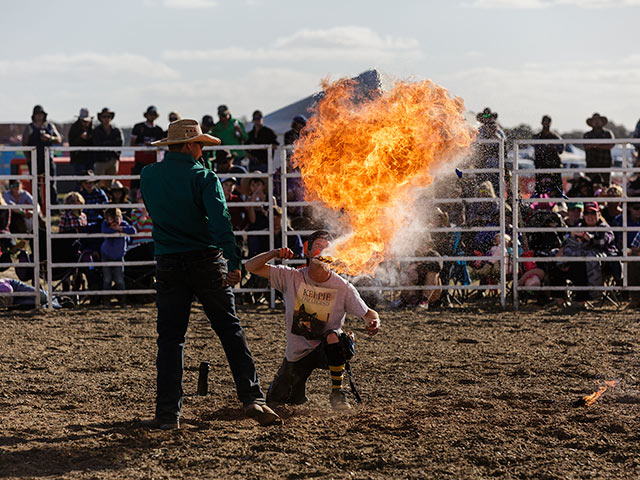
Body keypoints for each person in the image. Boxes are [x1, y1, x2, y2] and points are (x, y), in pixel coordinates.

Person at [140, 118, 278, 429]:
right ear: (189, 145)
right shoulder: (205, 177)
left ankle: (167, 414)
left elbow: (154, 212)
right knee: (229, 328)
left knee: (171, 339)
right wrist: (233, 262)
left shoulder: (148, 175)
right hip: (205, 259)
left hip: (168, 262)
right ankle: (252, 397)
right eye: (200, 144)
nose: (202, 149)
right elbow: (220, 222)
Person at [245, 230, 381, 410]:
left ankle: (337, 393)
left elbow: (369, 313)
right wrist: (275, 253)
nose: (323, 252)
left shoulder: (343, 287)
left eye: (328, 248)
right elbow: (250, 266)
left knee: (335, 337)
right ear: (308, 251)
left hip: (326, 349)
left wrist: (374, 322)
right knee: (278, 399)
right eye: (318, 247)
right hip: (297, 354)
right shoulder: (291, 277)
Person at [22, 105, 62, 206]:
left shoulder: (50, 126)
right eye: (37, 114)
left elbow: (59, 139)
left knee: (51, 183)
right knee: (36, 184)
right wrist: (29, 160)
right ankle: (38, 207)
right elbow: (24, 144)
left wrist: (50, 138)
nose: (39, 116)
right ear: (34, 116)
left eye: (41, 114)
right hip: (34, 160)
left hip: (48, 159)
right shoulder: (29, 128)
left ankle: (53, 207)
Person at [101, 208, 135, 305]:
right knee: (107, 279)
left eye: (116, 219)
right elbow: (105, 232)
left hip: (119, 256)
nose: (113, 222)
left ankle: (122, 301)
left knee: (119, 279)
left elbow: (133, 230)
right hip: (106, 255)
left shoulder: (123, 224)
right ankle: (106, 301)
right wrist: (116, 231)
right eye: (111, 219)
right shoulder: (104, 224)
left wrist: (120, 229)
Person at [130, 106, 164, 194]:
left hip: (153, 163)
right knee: (135, 186)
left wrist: (153, 147)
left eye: (154, 114)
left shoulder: (159, 130)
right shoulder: (138, 127)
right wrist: (143, 147)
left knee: (153, 186)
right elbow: (132, 144)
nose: (151, 116)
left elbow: (161, 147)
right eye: (150, 114)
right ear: (146, 115)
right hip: (140, 162)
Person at [92, 108, 123, 189]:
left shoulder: (116, 130)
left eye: (108, 116)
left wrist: (117, 157)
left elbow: (120, 144)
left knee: (110, 185)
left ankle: (108, 200)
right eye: (104, 116)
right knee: (97, 184)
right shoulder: (96, 130)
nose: (106, 119)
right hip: (100, 160)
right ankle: (97, 200)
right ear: (101, 118)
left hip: (112, 160)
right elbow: (96, 144)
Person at [532, 115, 563, 196]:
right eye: (545, 121)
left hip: (553, 166)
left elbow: (561, 148)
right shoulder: (537, 136)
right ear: (542, 123)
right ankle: (538, 203)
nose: (546, 124)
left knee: (557, 186)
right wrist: (546, 147)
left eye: (548, 122)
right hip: (541, 165)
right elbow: (535, 146)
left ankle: (558, 202)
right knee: (540, 186)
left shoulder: (555, 137)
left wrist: (554, 147)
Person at [583, 113, 615, 186]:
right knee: (590, 184)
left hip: (605, 163)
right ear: (591, 123)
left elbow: (611, 145)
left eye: (598, 120)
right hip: (591, 163)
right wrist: (600, 145)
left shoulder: (608, 133)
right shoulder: (587, 134)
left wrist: (595, 145)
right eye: (594, 120)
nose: (596, 122)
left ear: (602, 122)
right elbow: (586, 146)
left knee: (606, 184)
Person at [68, 108, 94, 176]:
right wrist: (80, 138)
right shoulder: (74, 128)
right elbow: (71, 143)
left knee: (90, 180)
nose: (85, 123)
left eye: (86, 121)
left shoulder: (92, 128)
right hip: (78, 159)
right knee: (79, 181)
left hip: (90, 159)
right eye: (83, 121)